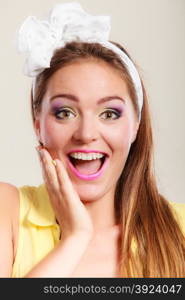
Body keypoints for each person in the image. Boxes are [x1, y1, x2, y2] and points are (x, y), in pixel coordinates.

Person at [0, 2, 184, 278]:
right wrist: (75, 239)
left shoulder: (179, 229)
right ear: (38, 124)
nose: (86, 134)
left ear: (135, 125)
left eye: (109, 113)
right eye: (65, 112)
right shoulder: (6, 210)